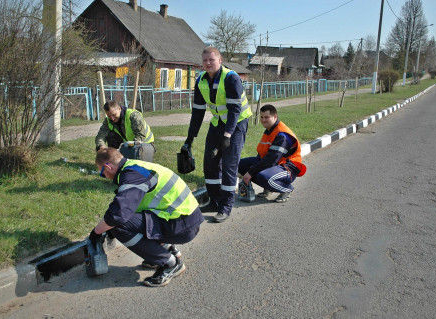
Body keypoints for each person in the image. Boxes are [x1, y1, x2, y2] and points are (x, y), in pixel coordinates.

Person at [89, 147, 204, 287]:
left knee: (118, 226)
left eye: (102, 173)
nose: (105, 177)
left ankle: (169, 263)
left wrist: (96, 233)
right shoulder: (135, 167)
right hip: (184, 219)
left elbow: (118, 214)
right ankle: (167, 250)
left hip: (181, 225)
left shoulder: (132, 175)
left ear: (108, 166)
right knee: (126, 221)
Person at [181, 47, 252, 223]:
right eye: (205, 60)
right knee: (210, 164)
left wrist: (228, 136)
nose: (208, 63)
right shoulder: (201, 80)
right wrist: (190, 138)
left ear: (219, 60)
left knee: (229, 165)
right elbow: (197, 112)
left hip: (237, 124)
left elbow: (235, 110)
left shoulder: (231, 78)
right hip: (218, 123)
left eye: (212, 60)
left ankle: (226, 206)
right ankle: (214, 201)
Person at [238, 104, 306, 203]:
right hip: (276, 164)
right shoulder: (270, 130)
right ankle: (268, 188)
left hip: (288, 167)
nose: (263, 120)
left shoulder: (282, 134)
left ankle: (287, 189)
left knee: (264, 177)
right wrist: (250, 169)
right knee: (240, 165)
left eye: (266, 117)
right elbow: (262, 154)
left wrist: (250, 173)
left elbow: (271, 159)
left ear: (275, 117)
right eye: (261, 117)